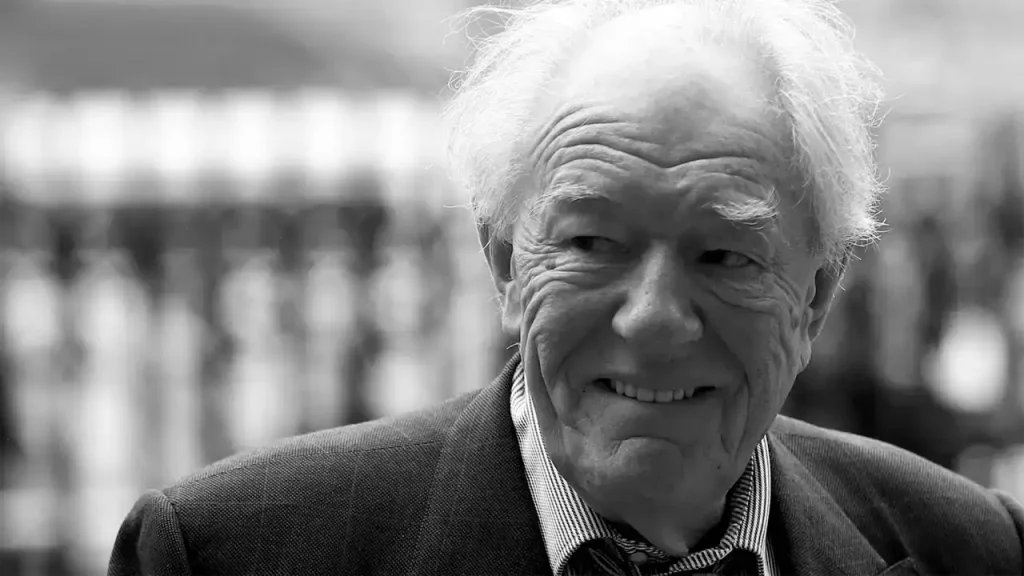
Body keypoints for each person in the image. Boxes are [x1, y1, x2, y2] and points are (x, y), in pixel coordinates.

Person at [107, 0, 1024, 574]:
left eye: (723, 256)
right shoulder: (234, 553)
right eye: (592, 243)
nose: (654, 319)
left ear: (816, 295)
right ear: (506, 263)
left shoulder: (969, 550)